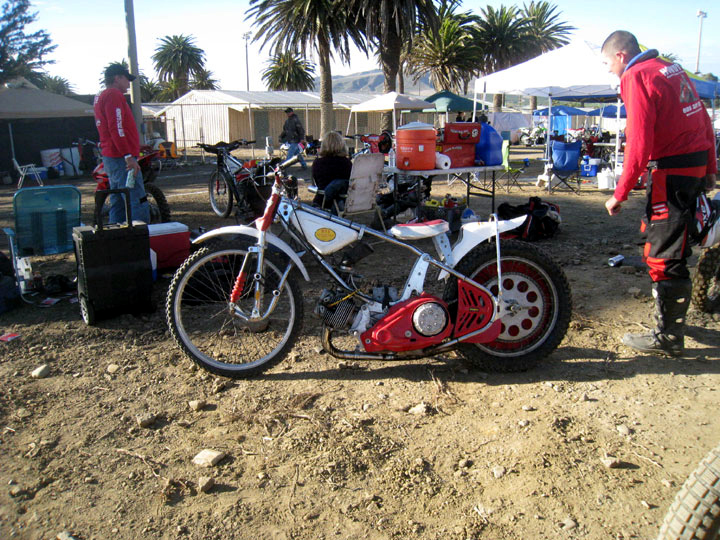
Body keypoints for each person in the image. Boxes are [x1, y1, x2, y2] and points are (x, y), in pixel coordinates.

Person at [601, 30, 717, 357]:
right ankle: (674, 324)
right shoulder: (670, 68)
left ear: (621, 56)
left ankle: (668, 337)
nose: (608, 70)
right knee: (676, 243)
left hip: (670, 171)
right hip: (692, 167)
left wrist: (620, 192)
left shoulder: (636, 75)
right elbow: (703, 120)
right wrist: (709, 167)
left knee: (663, 251)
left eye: (607, 62)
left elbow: (639, 141)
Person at [93, 63, 150, 224]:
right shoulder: (113, 95)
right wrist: (128, 156)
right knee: (136, 198)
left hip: (112, 155)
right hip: (121, 158)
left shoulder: (100, 96)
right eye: (126, 79)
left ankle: (116, 235)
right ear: (117, 78)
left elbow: (110, 129)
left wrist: (134, 147)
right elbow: (116, 128)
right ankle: (140, 236)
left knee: (118, 200)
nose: (128, 84)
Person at [311, 131, 352, 211]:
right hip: (343, 200)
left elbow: (316, 183)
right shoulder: (347, 163)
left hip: (322, 201)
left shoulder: (318, 163)